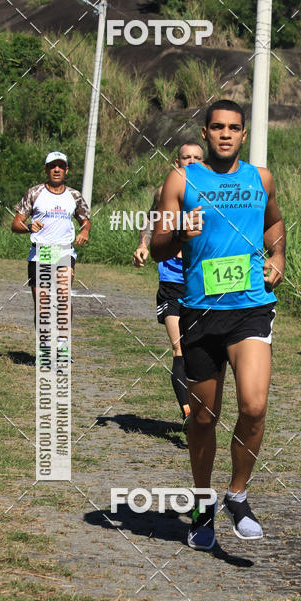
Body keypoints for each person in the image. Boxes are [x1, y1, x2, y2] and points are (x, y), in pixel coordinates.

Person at [151, 100, 286, 550]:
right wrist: (178, 235)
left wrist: (278, 257)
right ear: (205, 133)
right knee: (204, 418)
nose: (225, 134)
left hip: (250, 305)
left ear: (243, 134)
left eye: (233, 128)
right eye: (216, 127)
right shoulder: (183, 179)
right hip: (199, 311)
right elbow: (156, 246)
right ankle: (203, 502)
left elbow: (275, 223)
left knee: (253, 405)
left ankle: (238, 494)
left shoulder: (260, 178)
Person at [133, 142, 204, 424]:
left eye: (197, 157)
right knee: (180, 348)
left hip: (201, 282)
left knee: (201, 351)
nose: (191, 162)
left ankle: (202, 406)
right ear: (177, 161)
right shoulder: (165, 191)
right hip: (172, 281)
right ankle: (188, 411)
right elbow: (152, 219)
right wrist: (143, 244)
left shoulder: (213, 193)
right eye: (186, 157)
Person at [11, 151, 90, 356]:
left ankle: (63, 345)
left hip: (63, 252)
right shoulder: (35, 193)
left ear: (66, 170)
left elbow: (85, 220)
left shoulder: (74, 196)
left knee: (63, 298)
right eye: (52, 166)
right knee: (43, 304)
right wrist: (28, 227)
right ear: (46, 169)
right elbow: (15, 224)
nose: (56, 169)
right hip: (41, 253)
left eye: (60, 166)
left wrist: (85, 231)